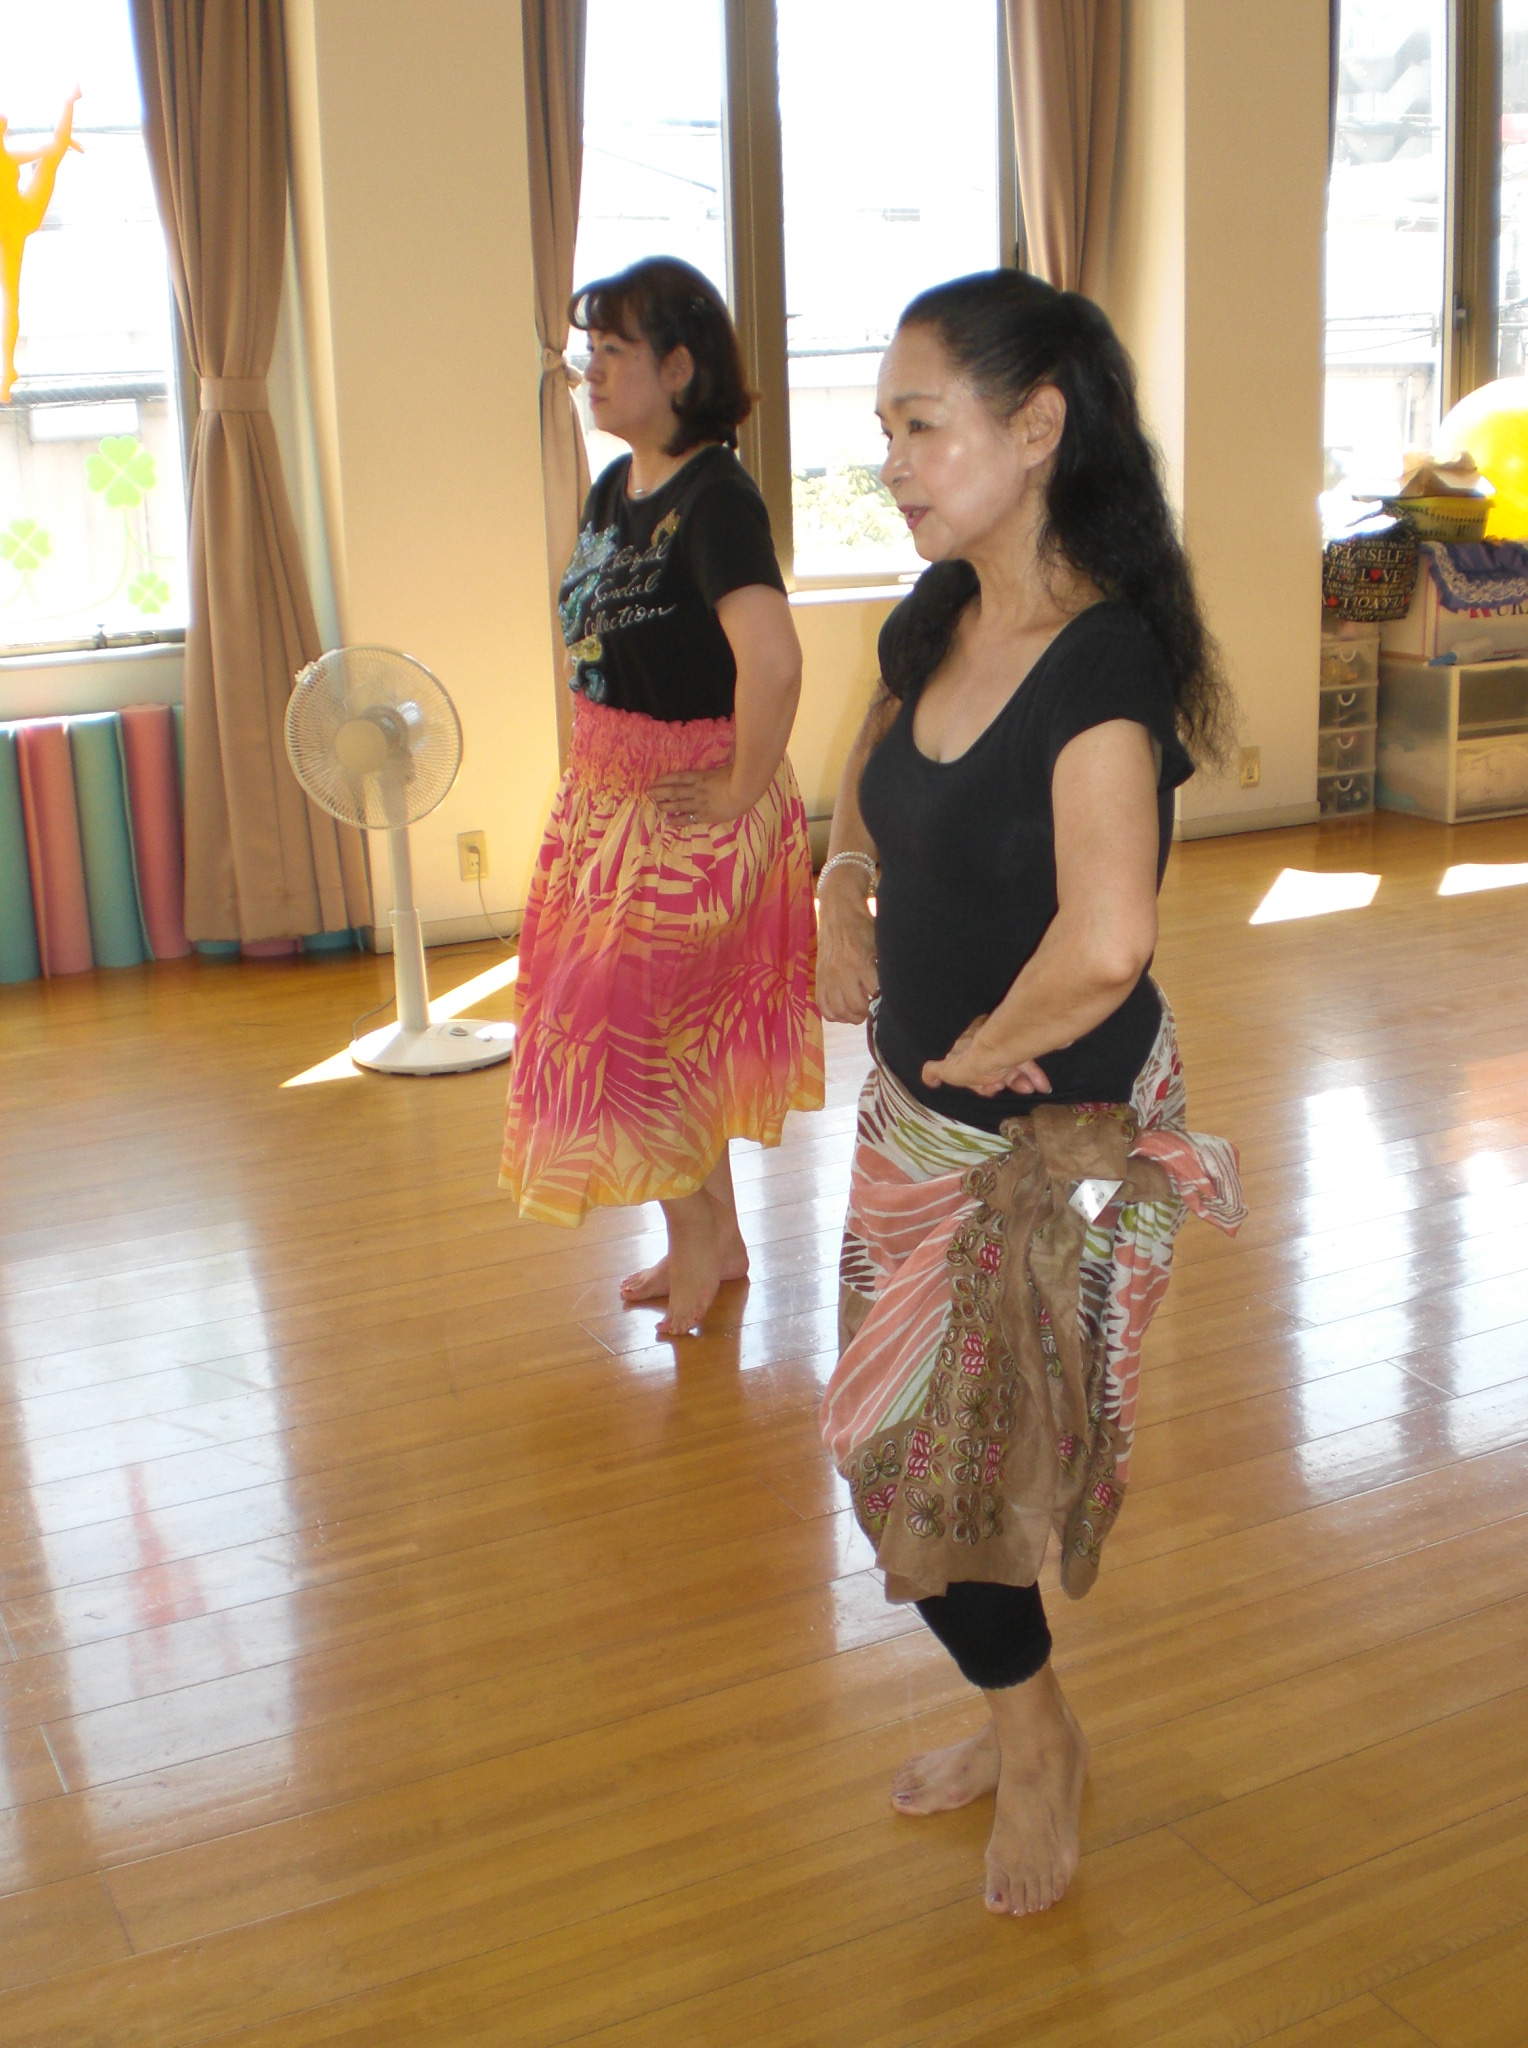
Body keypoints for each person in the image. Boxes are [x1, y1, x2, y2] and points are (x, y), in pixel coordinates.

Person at [815, 270, 1244, 1918]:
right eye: (887, 430)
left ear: (1038, 426)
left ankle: (1035, 1735)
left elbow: (1110, 937)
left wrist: (994, 1041)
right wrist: (840, 882)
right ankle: (1024, 1715)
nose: (895, 462)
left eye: (922, 425)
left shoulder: (1102, 666)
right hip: (916, 1127)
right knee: (890, 1447)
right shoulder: (935, 617)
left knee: (962, 1469)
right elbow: (865, 766)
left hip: (1046, 1147)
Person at [501, 256, 824, 1337]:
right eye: (587, 350)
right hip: (608, 800)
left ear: (680, 368)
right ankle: (717, 1239)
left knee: (629, 1027)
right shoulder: (616, 485)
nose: (589, 371)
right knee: (668, 1031)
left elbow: (773, 662)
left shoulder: (716, 497)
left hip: (691, 805)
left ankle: (697, 1238)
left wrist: (739, 791)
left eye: (613, 351)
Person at [0, 91, 82, 405]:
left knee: (52, 157)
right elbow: (51, 148)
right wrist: (61, 144)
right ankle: (7, 370)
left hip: (19, 219)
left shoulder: (7, 156)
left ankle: (70, 101)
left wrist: (62, 142)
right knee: (10, 301)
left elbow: (51, 148)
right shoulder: (4, 157)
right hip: (12, 228)